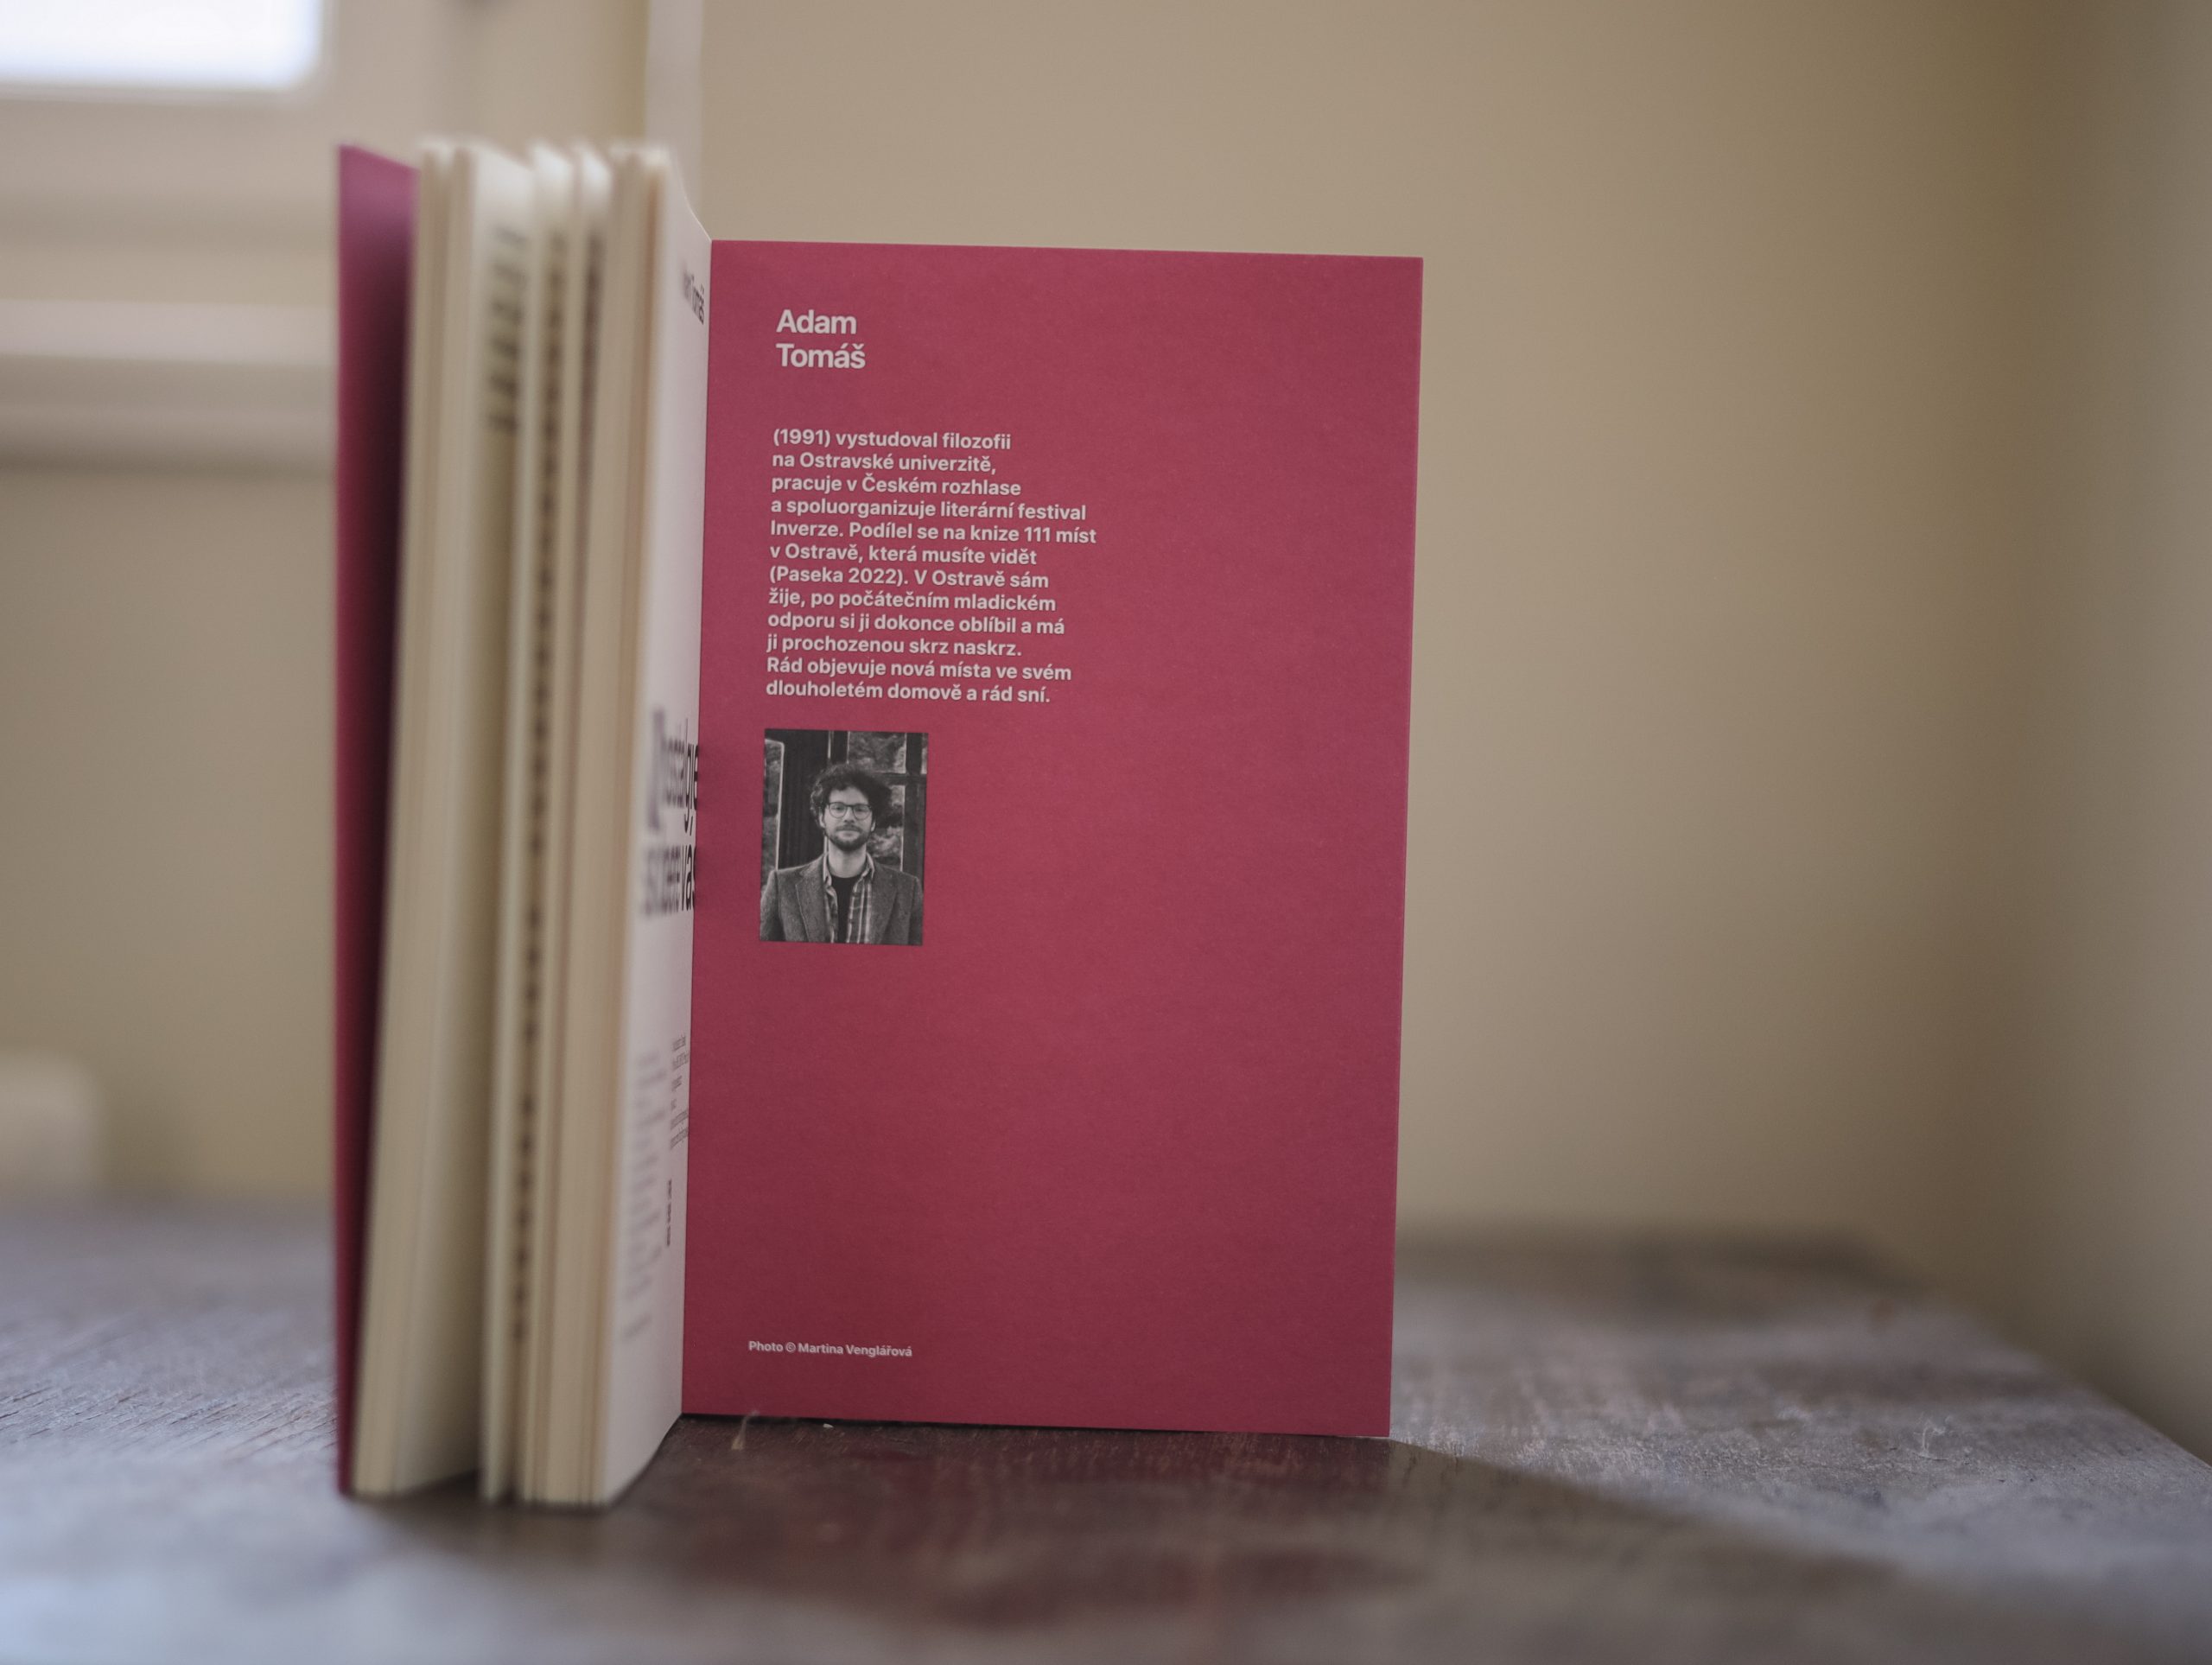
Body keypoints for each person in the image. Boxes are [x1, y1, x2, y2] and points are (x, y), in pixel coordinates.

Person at [760, 761, 923, 944]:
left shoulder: (908, 890)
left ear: (873, 822)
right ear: (822, 818)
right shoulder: (782, 886)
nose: (849, 817)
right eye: (838, 808)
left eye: (860, 809)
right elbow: (761, 957)